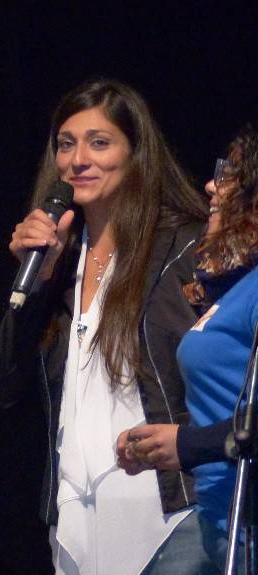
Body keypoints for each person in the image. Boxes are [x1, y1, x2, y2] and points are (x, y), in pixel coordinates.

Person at [0, 79, 211, 574]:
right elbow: (1, 388)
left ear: (136, 153)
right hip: (78, 521)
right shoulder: (58, 261)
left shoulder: (186, 248)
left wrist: (195, 442)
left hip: (172, 513)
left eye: (99, 142)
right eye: (66, 144)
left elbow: (230, 368)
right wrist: (37, 283)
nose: (78, 160)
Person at [117, 122, 258, 569]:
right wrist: (166, 445)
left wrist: (188, 444)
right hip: (221, 519)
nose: (212, 186)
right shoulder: (236, 291)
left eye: (231, 176)